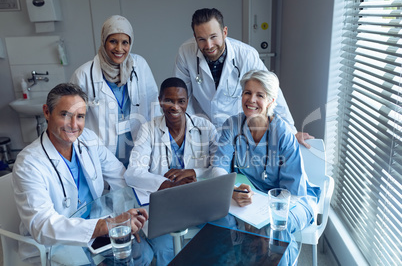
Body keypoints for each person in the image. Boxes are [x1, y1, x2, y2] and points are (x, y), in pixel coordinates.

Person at [12, 83, 153, 265]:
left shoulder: (88, 140)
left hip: (95, 227)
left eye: (80, 117)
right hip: (56, 243)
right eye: (65, 115)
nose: (73, 125)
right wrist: (107, 226)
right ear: (47, 112)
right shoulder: (29, 164)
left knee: (142, 255)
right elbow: (43, 226)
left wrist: (128, 214)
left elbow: (120, 177)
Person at [173, 8, 314, 148]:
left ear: (224, 32)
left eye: (213, 37)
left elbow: (272, 92)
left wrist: (291, 131)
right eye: (202, 39)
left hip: (239, 130)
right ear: (195, 36)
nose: (209, 45)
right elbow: (182, 96)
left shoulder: (246, 55)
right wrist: (189, 128)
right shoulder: (186, 52)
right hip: (202, 129)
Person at [211, 70, 321, 234]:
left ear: (271, 101)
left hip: (293, 201)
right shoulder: (232, 125)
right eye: (247, 92)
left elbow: (291, 192)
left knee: (274, 229)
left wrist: (259, 218)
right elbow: (219, 166)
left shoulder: (282, 134)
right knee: (219, 221)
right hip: (253, 199)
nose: (251, 99)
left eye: (260, 95)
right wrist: (231, 190)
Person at [124, 77, 218, 266]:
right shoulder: (148, 130)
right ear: (160, 100)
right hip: (165, 206)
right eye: (169, 100)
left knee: (221, 235)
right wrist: (168, 184)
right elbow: (132, 172)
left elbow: (220, 166)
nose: (175, 106)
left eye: (181, 101)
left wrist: (194, 172)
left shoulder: (205, 127)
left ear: (187, 102)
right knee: (164, 248)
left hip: (199, 202)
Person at [70, 15, 159, 167]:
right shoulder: (84, 75)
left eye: (125, 42)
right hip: (102, 154)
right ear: (104, 41)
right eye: (113, 41)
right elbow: (74, 120)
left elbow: (154, 107)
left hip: (138, 149)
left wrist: (157, 146)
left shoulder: (140, 66)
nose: (119, 48)